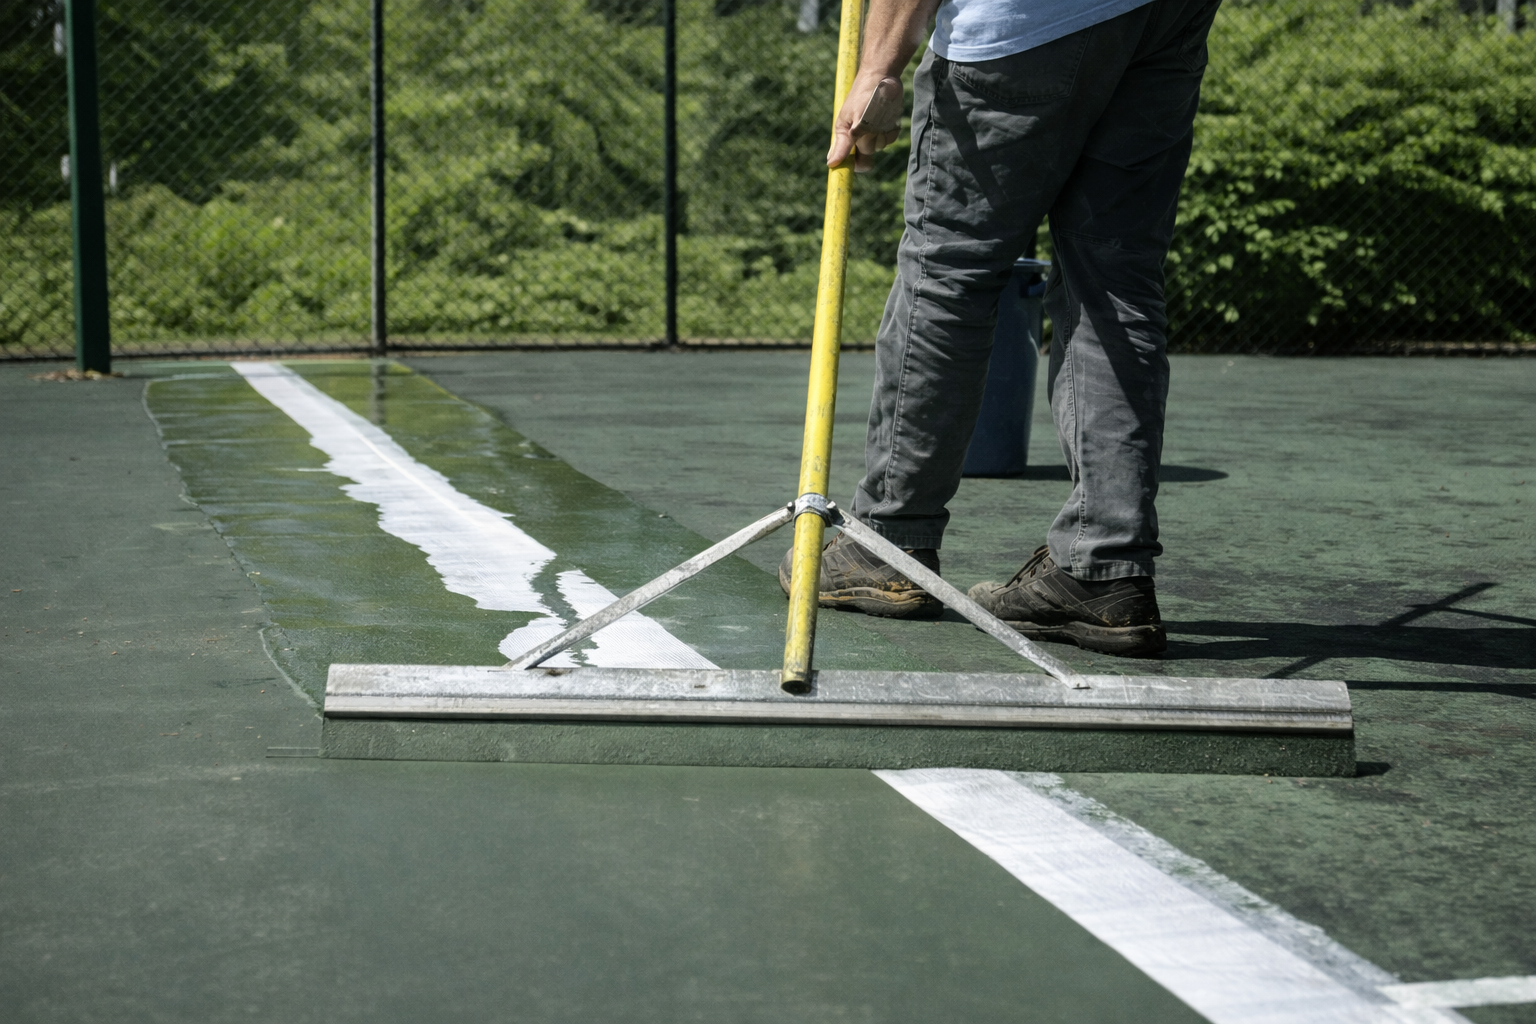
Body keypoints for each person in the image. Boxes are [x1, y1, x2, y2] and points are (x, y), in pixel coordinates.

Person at [780, 0, 1222, 658]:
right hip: (1162, 14)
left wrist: (880, 67)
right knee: (1117, 277)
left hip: (1024, 23)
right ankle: (1104, 570)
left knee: (949, 269)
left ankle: (890, 542)